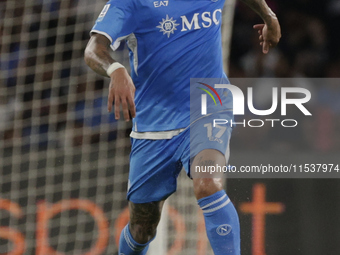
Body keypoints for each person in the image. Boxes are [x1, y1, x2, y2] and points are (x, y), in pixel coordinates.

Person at [84, 0, 281, 253]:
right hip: (154, 123)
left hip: (209, 105)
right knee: (142, 227)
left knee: (207, 182)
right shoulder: (131, 2)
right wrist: (115, 69)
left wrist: (268, 15)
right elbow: (94, 48)